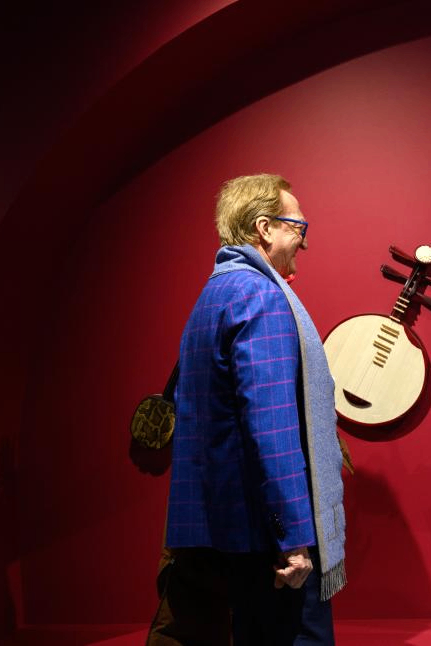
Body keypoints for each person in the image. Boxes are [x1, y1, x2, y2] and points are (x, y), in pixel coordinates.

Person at [148, 174, 346, 645]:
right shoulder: (261, 296)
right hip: (267, 541)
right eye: (298, 227)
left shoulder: (214, 293)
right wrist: (293, 538)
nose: (303, 241)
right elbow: (271, 428)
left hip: (225, 532)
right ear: (264, 227)